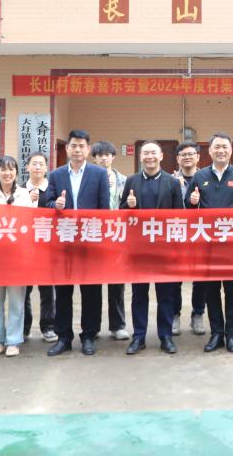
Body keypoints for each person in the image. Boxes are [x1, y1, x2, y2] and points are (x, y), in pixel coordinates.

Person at [45, 129, 111, 357]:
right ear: (67, 148)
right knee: (63, 292)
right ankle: (63, 337)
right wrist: (55, 205)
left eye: (82, 146)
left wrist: (100, 241)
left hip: (89, 241)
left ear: (88, 149)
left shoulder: (99, 174)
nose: (77, 150)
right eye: (73, 145)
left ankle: (89, 336)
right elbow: (47, 203)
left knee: (91, 291)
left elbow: (104, 209)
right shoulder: (56, 175)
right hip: (63, 242)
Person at [185, 133, 233, 353]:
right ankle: (216, 334)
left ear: (231, 150)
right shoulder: (200, 176)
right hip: (208, 246)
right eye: (217, 147)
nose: (221, 150)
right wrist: (192, 201)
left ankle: (232, 335)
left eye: (225, 147)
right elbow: (188, 207)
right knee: (211, 291)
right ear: (210, 151)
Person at [122, 141, 184, 355]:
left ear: (161, 156)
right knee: (139, 295)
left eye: (153, 153)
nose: (149, 157)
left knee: (165, 295)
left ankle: (165, 336)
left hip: (164, 250)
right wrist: (129, 207)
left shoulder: (172, 183)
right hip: (139, 249)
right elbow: (122, 213)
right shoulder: (131, 181)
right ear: (141, 157)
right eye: (146, 153)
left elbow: (179, 216)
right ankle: (138, 337)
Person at [0, 156, 33, 358]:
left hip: (17, 256)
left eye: (11, 169)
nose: (7, 173)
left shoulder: (24, 195)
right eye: (3, 169)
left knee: (16, 301)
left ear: (16, 172)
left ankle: (13, 340)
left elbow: (30, 222)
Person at [91, 140, 130, 342]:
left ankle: (118, 325)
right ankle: (93, 326)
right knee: (93, 285)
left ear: (113, 157)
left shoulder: (123, 180)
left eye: (107, 154)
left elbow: (129, 207)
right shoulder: (89, 179)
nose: (104, 158)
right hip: (95, 236)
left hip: (117, 237)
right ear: (94, 158)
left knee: (117, 284)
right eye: (100, 155)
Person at [172, 140, 207, 336]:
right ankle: (174, 315)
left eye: (191, 154)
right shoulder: (169, 180)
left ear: (198, 157)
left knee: (200, 278)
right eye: (183, 154)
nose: (187, 157)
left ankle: (198, 314)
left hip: (200, 235)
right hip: (176, 236)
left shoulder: (207, 178)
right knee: (175, 279)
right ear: (177, 158)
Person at [23, 152, 57, 343]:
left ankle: (48, 327)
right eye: (34, 164)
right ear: (27, 167)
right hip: (24, 249)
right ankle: (24, 327)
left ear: (46, 168)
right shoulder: (19, 190)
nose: (37, 167)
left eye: (41, 164)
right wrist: (27, 199)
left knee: (47, 291)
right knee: (23, 291)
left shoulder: (52, 190)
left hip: (46, 249)